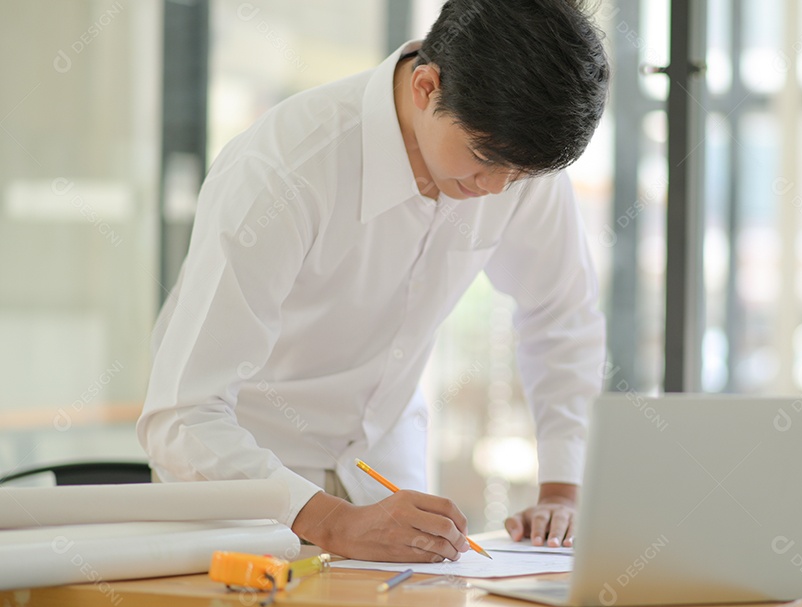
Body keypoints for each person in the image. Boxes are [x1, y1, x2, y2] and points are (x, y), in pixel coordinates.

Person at [137, 0, 608, 563]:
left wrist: (563, 488)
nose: (498, 190)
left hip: (388, 478)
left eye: (521, 176)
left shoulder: (512, 157)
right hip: (249, 487)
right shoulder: (284, 169)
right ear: (426, 88)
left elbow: (561, 314)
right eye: (483, 160)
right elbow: (182, 415)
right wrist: (332, 522)